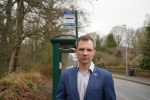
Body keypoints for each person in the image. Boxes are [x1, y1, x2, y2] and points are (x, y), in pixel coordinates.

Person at [56, 35, 116, 100]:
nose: (85, 53)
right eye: (81, 49)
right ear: (76, 52)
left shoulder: (106, 76)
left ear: (94, 52)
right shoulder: (65, 75)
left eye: (89, 50)